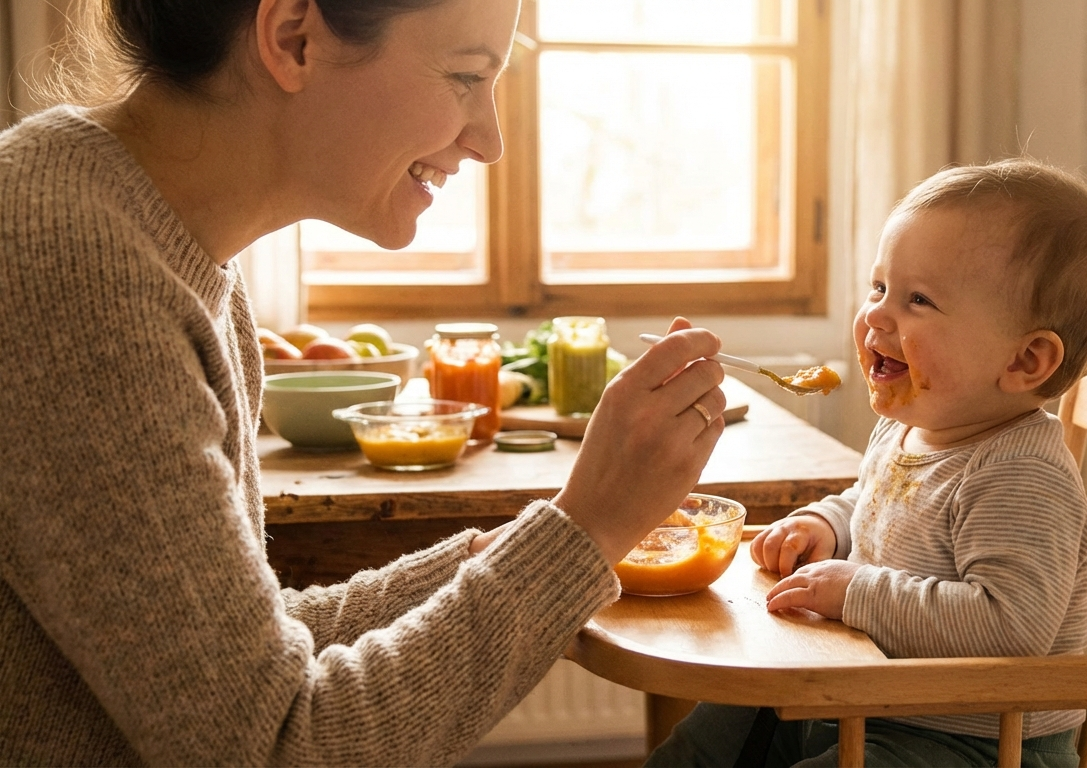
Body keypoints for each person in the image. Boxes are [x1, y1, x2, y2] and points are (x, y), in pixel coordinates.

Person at [0, 0, 729, 764]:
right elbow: (276, 744)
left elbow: (242, 660)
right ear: (294, 39)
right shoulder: (70, 266)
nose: (489, 140)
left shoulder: (164, 245)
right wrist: (585, 531)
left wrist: (538, 538)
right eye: (465, 76)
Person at [646, 158, 1087, 768]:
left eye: (918, 299)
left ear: (1026, 360)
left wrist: (857, 592)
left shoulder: (1021, 476)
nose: (876, 314)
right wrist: (827, 523)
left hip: (973, 741)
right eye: (879, 288)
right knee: (714, 730)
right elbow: (877, 504)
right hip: (868, 699)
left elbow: (1010, 626)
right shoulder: (910, 427)